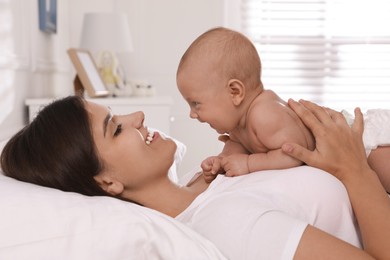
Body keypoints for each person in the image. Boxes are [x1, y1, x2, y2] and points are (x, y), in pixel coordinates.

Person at [1, 95, 389, 259]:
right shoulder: (229, 223)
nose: (137, 117)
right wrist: (354, 169)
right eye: (116, 129)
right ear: (107, 183)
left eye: (118, 115)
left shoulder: (200, 180)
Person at [176, 27, 390, 192]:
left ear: (235, 92)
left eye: (196, 103)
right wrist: (221, 162)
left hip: (361, 140)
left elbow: (293, 153)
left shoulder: (264, 115)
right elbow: (236, 150)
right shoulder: (238, 127)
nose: (192, 114)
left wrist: (249, 164)